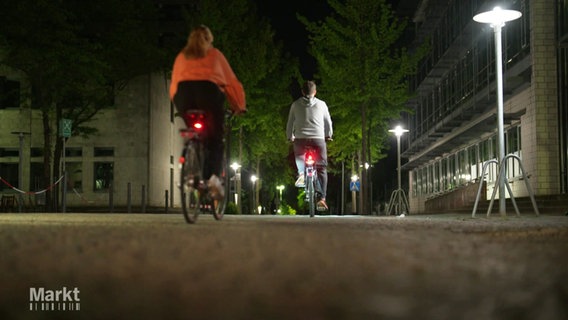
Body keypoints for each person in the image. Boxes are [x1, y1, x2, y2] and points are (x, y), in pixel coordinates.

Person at [170, 25, 246, 199]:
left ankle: (191, 162)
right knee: (215, 139)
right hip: (208, 94)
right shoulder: (215, 55)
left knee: (194, 133)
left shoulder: (182, 56)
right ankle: (211, 178)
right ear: (209, 40)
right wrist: (238, 105)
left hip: (184, 95)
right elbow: (231, 83)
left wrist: (179, 105)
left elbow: (173, 85)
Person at [286, 81, 333, 210]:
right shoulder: (322, 105)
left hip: (301, 139)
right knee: (322, 168)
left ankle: (302, 173)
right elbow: (328, 122)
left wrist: (290, 136)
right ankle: (322, 198)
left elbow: (290, 123)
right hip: (318, 139)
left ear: (302, 92)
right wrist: (329, 135)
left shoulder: (295, 105)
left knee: (299, 154)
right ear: (315, 92)